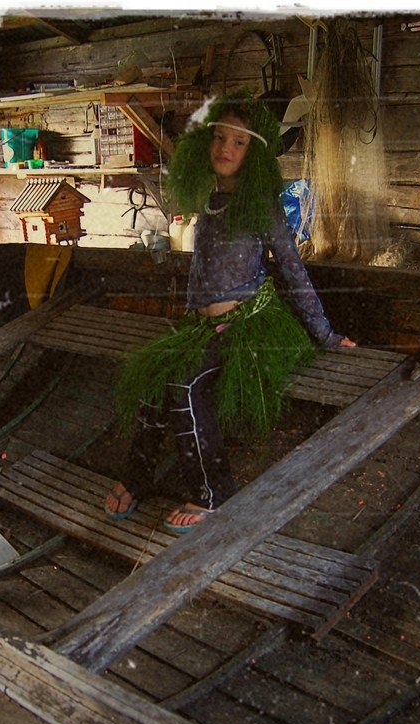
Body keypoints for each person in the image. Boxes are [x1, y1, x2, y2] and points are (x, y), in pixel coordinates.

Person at [105, 91, 356, 532]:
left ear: (253, 154)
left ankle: (213, 493)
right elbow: (201, 269)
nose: (225, 148)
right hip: (205, 326)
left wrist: (326, 334)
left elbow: (293, 269)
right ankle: (137, 477)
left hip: (247, 324)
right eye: (220, 137)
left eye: (239, 142)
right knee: (153, 380)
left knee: (184, 385)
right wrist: (191, 318)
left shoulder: (262, 206)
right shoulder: (208, 199)